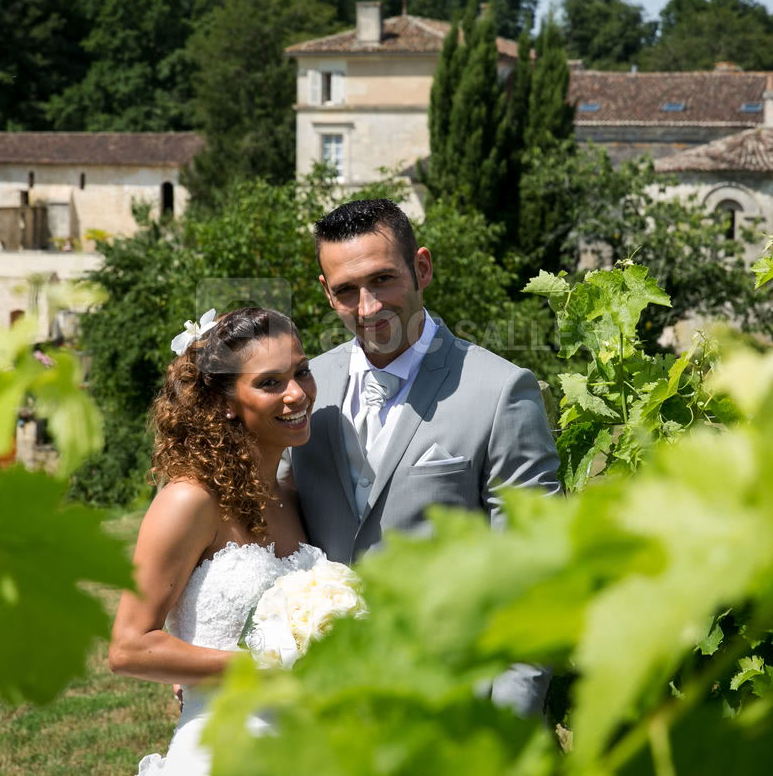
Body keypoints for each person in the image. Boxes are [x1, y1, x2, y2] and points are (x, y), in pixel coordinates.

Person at [281, 198, 562, 717]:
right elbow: (258, 520)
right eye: (346, 290)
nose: (367, 307)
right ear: (326, 292)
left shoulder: (501, 391)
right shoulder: (303, 391)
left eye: (382, 280)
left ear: (422, 268)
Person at [110, 307, 323, 776]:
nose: (297, 393)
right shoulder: (189, 501)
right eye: (270, 383)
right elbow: (128, 647)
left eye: (301, 372)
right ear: (225, 399)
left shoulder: (291, 495)